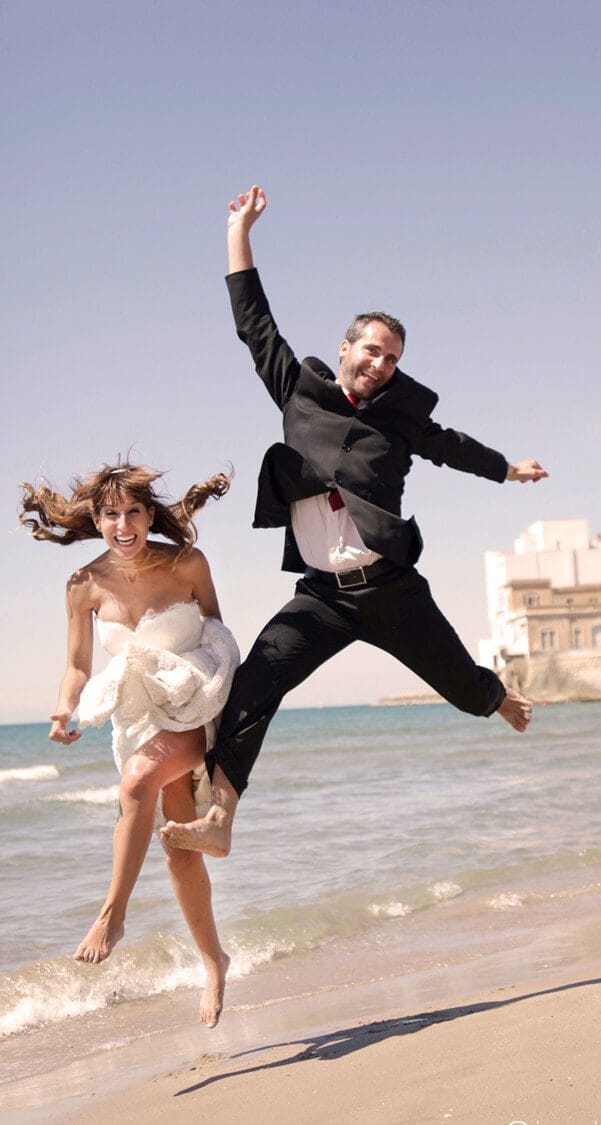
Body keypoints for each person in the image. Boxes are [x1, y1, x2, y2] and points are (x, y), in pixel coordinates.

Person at [161, 184, 549, 860]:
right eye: (371, 350)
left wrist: (507, 469)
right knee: (253, 684)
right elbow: (254, 322)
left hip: (391, 589)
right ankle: (220, 817)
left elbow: (451, 446)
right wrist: (237, 233)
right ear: (344, 348)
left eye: (392, 358)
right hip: (322, 598)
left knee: (463, 689)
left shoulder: (399, 425)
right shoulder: (298, 391)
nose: (380, 363)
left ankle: (497, 697)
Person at [19, 462, 240, 1028]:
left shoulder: (187, 562)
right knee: (177, 847)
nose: (124, 525)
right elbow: (77, 665)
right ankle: (214, 961)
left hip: (193, 700)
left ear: (148, 514)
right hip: (135, 716)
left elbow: (216, 632)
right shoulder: (84, 585)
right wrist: (65, 707)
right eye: (111, 514)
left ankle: (112, 915)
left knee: (139, 779)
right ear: (96, 520)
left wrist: (214, 694)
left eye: (133, 512)